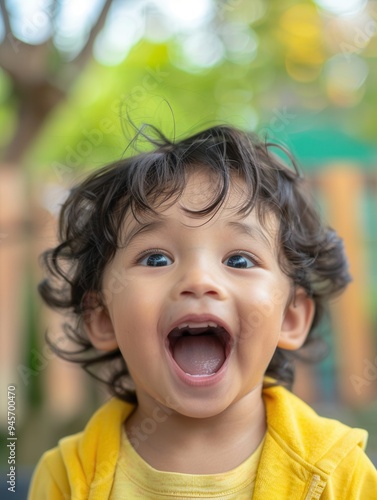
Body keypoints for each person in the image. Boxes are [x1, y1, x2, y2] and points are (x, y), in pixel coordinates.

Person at [28, 125, 377, 499]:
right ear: (101, 318)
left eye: (239, 259)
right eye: (156, 258)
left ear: (290, 319)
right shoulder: (68, 475)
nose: (198, 279)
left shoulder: (338, 473)